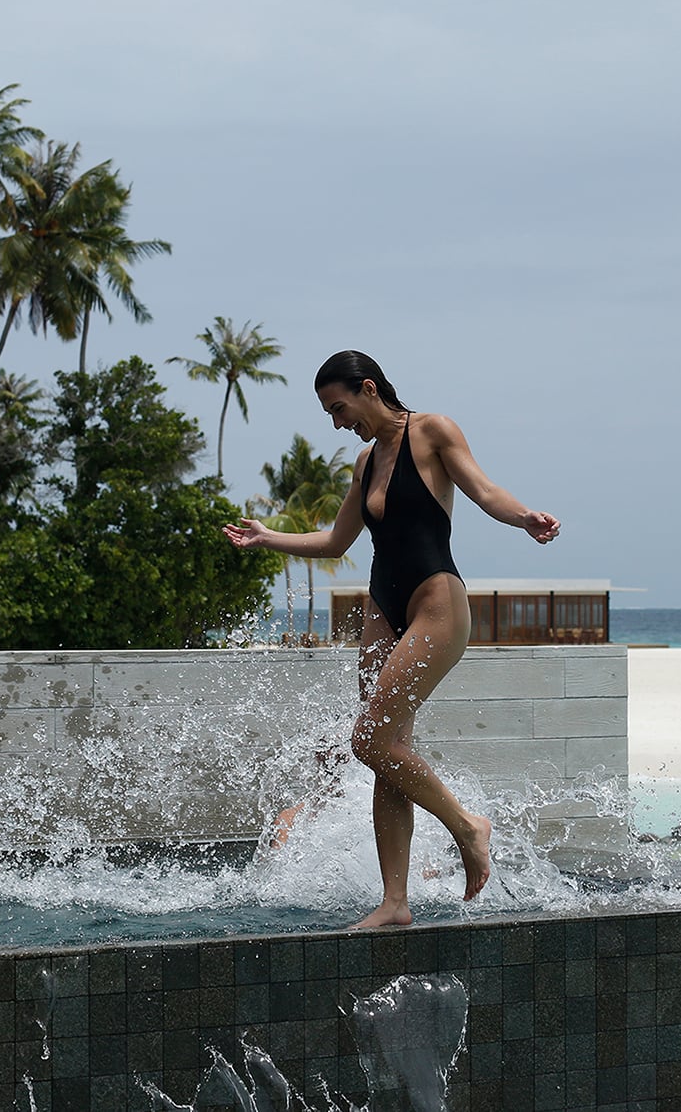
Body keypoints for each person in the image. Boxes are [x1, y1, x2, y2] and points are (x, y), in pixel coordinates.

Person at [224, 351, 560, 928]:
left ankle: (466, 826)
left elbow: (482, 489)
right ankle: (395, 903)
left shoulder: (431, 431)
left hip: (434, 600)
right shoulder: (365, 461)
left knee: (369, 738)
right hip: (383, 605)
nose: (337, 421)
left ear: (368, 388)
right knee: (387, 751)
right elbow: (335, 541)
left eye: (339, 407)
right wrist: (268, 537)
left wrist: (524, 516)